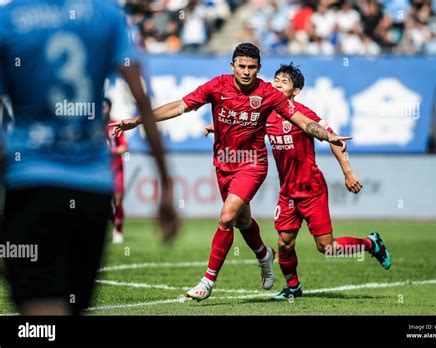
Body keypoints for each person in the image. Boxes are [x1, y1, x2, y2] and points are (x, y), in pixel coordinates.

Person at [113, 43, 351, 302]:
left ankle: (207, 280)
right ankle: (264, 254)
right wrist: (138, 120)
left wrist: (328, 136)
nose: (247, 72)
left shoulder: (269, 94)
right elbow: (179, 106)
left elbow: (303, 122)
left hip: (252, 165)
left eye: (252, 67)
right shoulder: (217, 86)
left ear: (258, 69)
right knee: (242, 221)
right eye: (242, 66)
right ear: (233, 66)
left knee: (226, 218)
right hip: (223, 163)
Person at [0, 0, 178, 315]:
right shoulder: (107, 14)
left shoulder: (10, 18)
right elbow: (141, 99)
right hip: (92, 189)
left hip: (30, 182)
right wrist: (166, 184)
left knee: (38, 313)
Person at [207, 63, 392, 300]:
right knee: (284, 244)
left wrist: (348, 172)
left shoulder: (303, 114)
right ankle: (293, 287)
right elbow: (244, 124)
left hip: (311, 189)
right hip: (288, 192)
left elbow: (333, 139)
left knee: (327, 247)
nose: (277, 83)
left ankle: (370, 244)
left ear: (295, 91)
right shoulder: (265, 114)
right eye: (276, 79)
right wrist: (217, 127)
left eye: (284, 81)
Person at [103, 98, 128, 244]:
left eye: (105, 107)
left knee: (117, 200)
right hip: (99, 170)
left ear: (110, 108)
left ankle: (118, 230)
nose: (102, 110)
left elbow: (124, 147)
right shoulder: (94, 125)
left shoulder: (115, 125)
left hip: (116, 168)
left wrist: (111, 151)